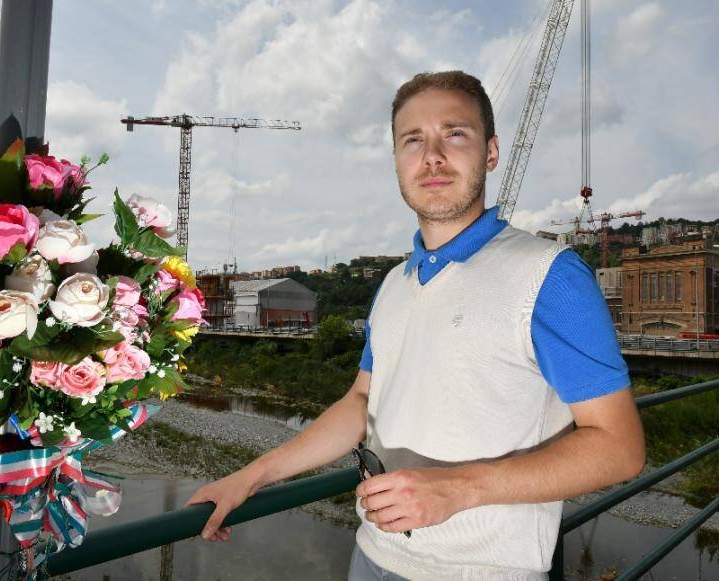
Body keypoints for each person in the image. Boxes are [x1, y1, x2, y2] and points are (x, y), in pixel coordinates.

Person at [184, 70, 646, 580]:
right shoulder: (394, 284)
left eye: (454, 134)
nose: (432, 156)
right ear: (397, 162)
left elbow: (619, 448)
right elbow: (361, 403)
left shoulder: (549, 275)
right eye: (413, 140)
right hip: (373, 556)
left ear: (491, 152)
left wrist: (459, 487)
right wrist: (249, 478)